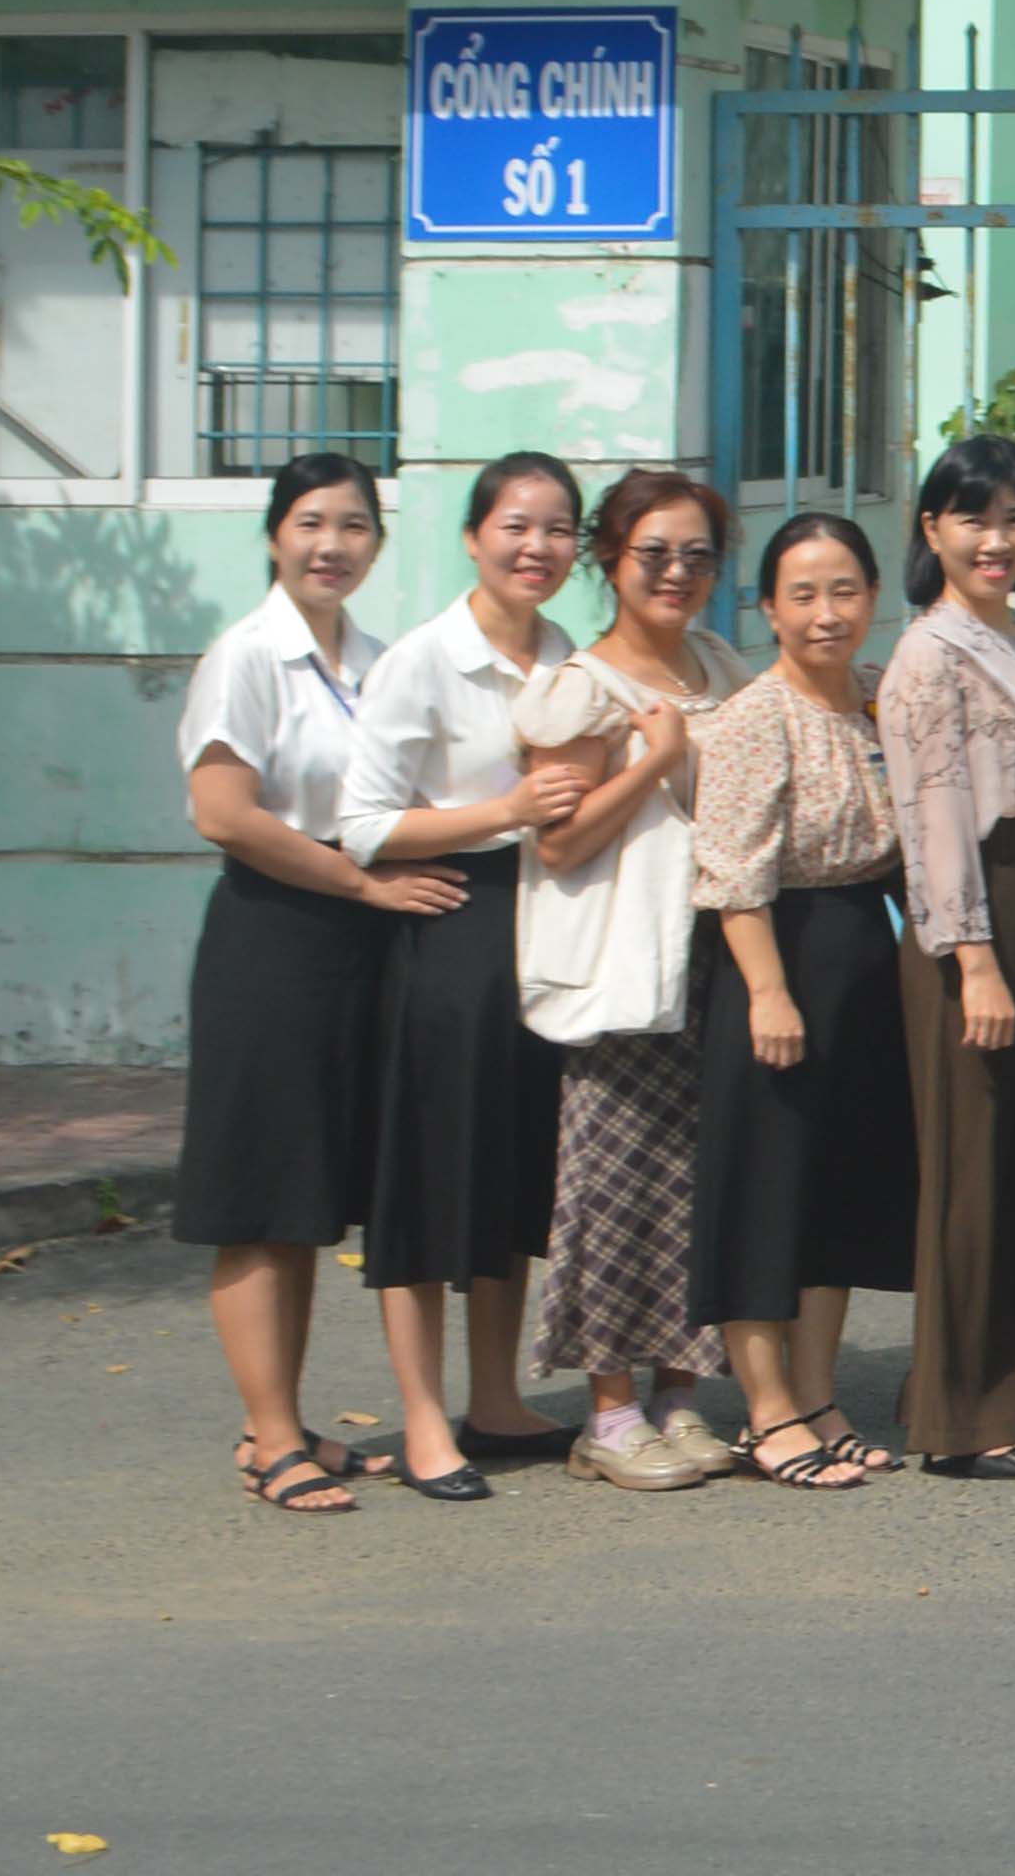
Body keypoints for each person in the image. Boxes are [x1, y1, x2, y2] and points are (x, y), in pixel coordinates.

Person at [177, 452, 448, 1517]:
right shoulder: (246, 656)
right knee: (261, 1199)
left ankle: (278, 1425)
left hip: (364, 942)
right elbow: (223, 813)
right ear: (273, 535)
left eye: (353, 526)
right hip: (275, 937)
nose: (331, 545)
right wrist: (359, 883)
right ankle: (273, 1439)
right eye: (309, 523)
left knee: (312, 1194)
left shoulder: (380, 662)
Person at [339, 449, 591, 1500]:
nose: (537, 547)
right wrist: (503, 813)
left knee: (507, 1171)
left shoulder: (570, 657)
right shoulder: (424, 661)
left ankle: (495, 1399)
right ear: (473, 537)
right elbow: (362, 822)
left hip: (545, 931)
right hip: (451, 925)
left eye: (558, 528)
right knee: (426, 1183)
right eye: (516, 526)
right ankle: (422, 1422)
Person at [514, 469, 750, 1492]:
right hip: (620, 964)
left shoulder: (722, 665)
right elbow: (559, 843)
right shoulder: (583, 687)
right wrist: (653, 760)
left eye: (697, 555)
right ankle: (608, 1414)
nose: (676, 572)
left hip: (713, 960)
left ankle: (680, 1395)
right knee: (612, 1185)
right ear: (609, 559)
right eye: (654, 552)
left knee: (697, 1182)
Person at [692, 509, 927, 1488]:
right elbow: (732, 874)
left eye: (844, 591)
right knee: (765, 1194)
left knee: (834, 1193)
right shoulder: (756, 717)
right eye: (802, 594)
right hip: (775, 959)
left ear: (873, 597)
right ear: (767, 608)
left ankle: (820, 1394)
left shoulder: (878, 697)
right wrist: (769, 993)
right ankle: (768, 1411)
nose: (826, 612)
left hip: (862, 962)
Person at [881, 431, 1015, 1479]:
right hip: (978, 919)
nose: (996, 540)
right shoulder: (929, 655)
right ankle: (960, 1421)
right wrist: (974, 958)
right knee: (969, 1170)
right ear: (933, 529)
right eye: (973, 519)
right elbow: (935, 820)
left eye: (1014, 518)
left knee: (1013, 1166)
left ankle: (982, 1388)